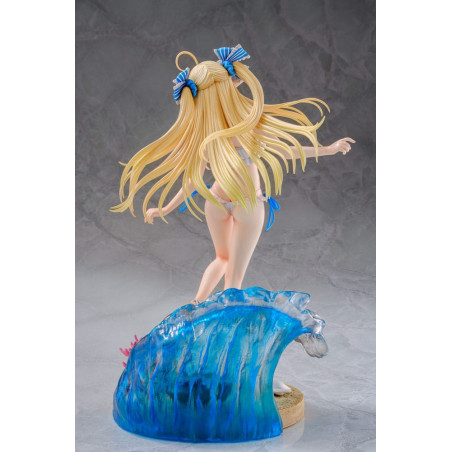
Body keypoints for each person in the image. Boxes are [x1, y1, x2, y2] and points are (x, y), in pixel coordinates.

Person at [110, 44, 354, 305]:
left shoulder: (209, 136)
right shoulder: (245, 128)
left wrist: (166, 208)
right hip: (246, 203)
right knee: (233, 275)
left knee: (222, 259)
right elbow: (285, 151)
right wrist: (327, 149)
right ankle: (209, 311)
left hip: (216, 201)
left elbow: (194, 180)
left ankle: (196, 304)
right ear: (230, 89)